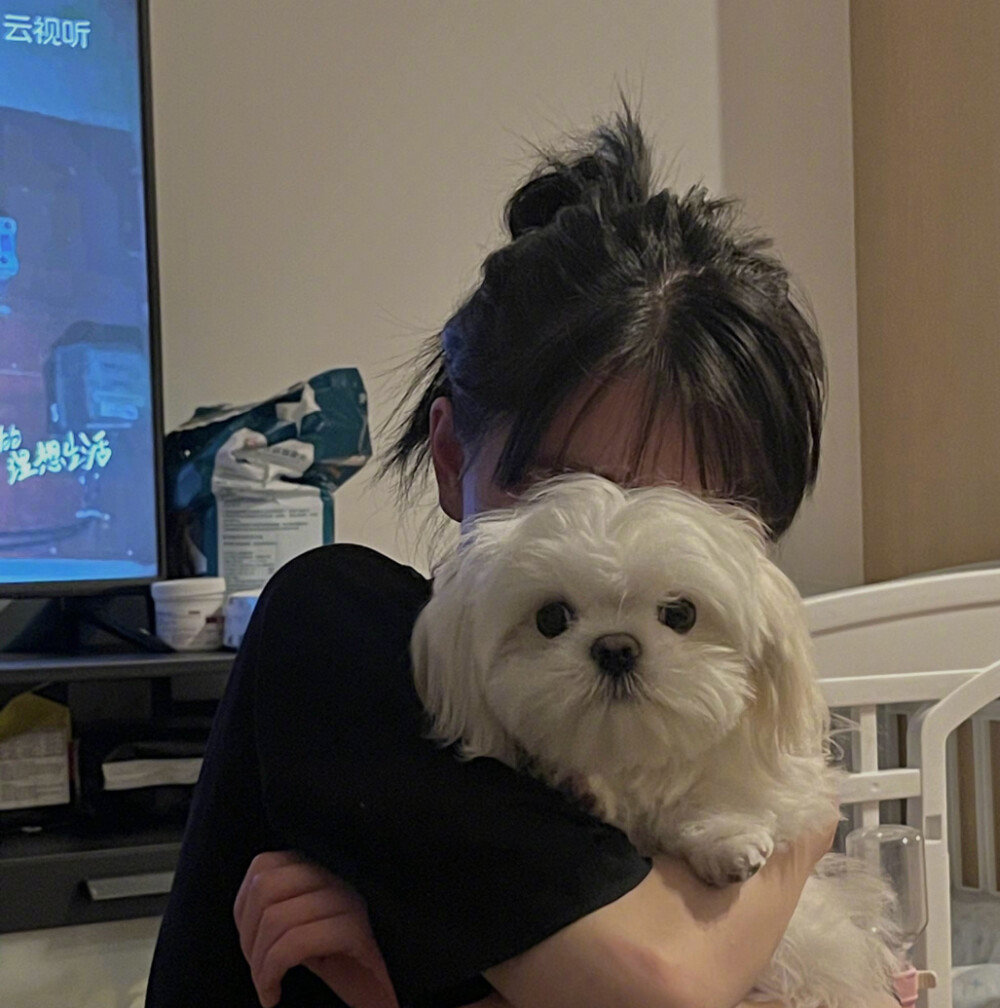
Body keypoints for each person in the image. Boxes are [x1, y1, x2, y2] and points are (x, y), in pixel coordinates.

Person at [145, 108, 863, 1008]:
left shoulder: (679, 768)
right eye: (567, 484)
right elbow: (660, 989)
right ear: (452, 456)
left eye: (686, 515)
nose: (614, 534)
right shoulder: (347, 638)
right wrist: (801, 836)